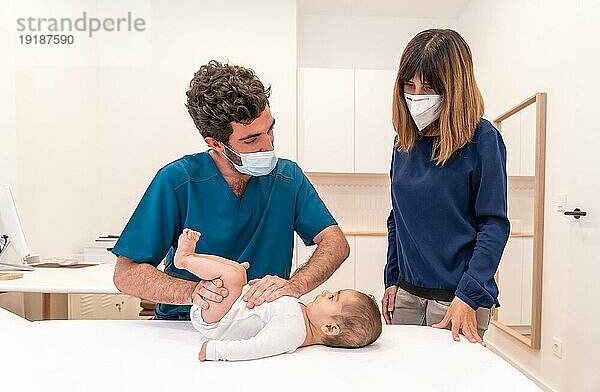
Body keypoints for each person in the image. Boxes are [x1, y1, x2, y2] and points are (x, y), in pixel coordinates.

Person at [112, 60, 350, 320]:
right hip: (186, 325)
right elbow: (127, 273)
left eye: (270, 131)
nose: (267, 145)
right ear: (216, 144)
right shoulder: (178, 181)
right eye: (251, 139)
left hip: (262, 322)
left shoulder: (287, 178)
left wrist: (295, 285)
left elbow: (336, 243)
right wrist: (195, 293)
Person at [381, 29, 510, 344]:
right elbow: (397, 218)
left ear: (454, 88)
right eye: (408, 86)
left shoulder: (483, 140)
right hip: (408, 294)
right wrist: (391, 279)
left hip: (458, 298)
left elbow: (493, 225)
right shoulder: (403, 144)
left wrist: (469, 295)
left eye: (428, 87)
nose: (416, 96)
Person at [173, 228, 381, 361]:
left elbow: (256, 348)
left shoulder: (293, 331)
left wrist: (215, 351)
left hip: (220, 320)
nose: (326, 292)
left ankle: (184, 260)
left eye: (332, 297)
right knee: (238, 271)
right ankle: (192, 256)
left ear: (329, 327)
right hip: (229, 308)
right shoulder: (301, 317)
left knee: (233, 275)